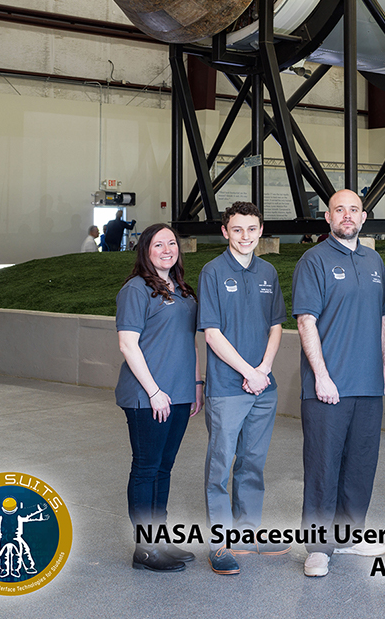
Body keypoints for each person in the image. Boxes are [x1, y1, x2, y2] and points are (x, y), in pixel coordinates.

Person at [293, 189, 385, 577]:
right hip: (328, 387)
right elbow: (306, 320)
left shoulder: (374, 260)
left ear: (364, 217)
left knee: (360, 465)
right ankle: (318, 547)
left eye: (354, 210)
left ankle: (349, 536)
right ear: (328, 217)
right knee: (323, 465)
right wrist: (321, 375)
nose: (347, 216)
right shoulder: (313, 260)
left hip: (368, 384)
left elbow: (383, 317)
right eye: (340, 210)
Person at [197, 201, 287, 575]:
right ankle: (220, 543)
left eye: (252, 229)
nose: (245, 236)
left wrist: (263, 369)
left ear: (260, 231)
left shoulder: (268, 271)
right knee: (221, 464)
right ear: (225, 232)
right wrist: (247, 371)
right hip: (229, 387)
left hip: (263, 386)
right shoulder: (212, 271)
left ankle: (247, 533)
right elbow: (212, 332)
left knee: (253, 462)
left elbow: (276, 326)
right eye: (237, 229)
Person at [114, 223, 204, 572]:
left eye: (171, 243)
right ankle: (144, 549)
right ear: (145, 251)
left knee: (163, 468)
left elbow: (190, 341)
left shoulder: (182, 290)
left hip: (180, 394)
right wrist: (154, 391)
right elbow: (127, 344)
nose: (167, 249)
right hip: (147, 396)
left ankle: (159, 539)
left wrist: (195, 385)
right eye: (158, 244)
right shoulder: (136, 290)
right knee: (146, 468)